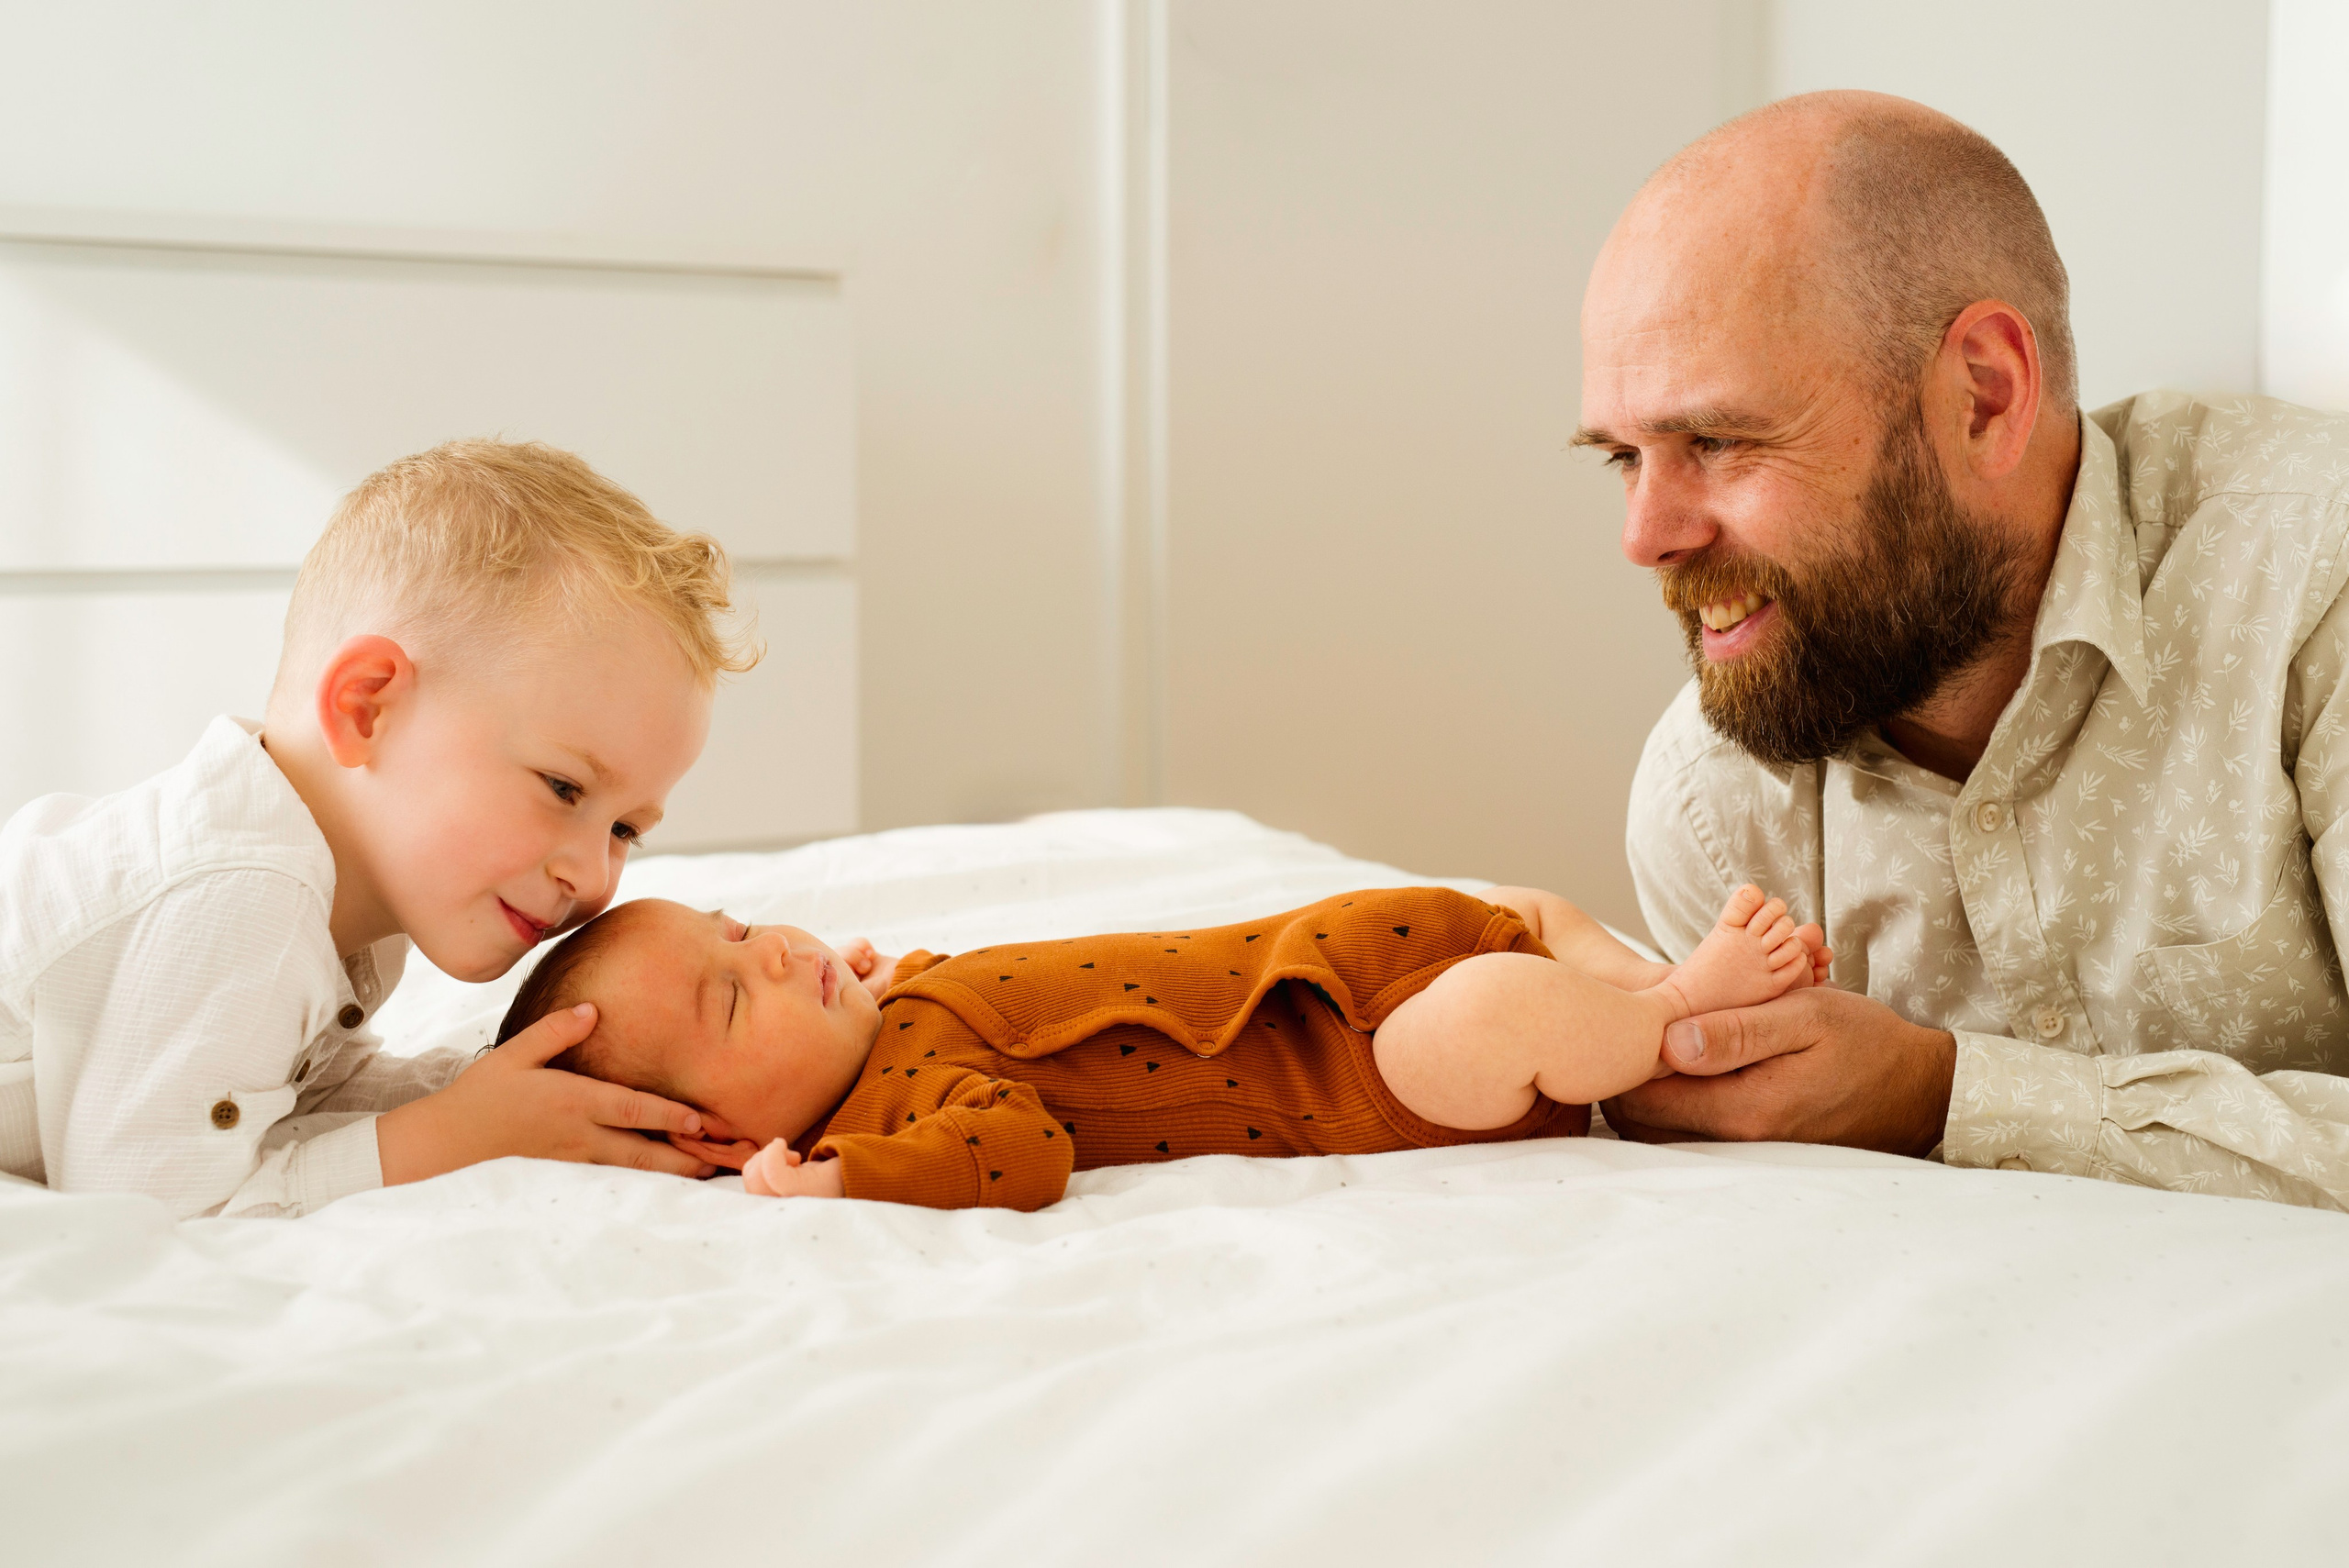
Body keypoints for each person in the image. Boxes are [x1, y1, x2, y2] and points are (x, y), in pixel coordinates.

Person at [1577, 90, 2349, 1207]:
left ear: (1983, 395)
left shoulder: (2314, 581)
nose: (1646, 536)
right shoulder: (1713, 802)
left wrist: (1942, 1096)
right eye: (1622, 458)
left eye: (1717, 439)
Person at [0, 440, 752, 1218]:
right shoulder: (240, 895)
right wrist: (452, 1137)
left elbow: (292, 1089)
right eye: (564, 787)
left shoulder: (348, 888)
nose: (593, 878)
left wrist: (498, 1096)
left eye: (627, 828)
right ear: (367, 708)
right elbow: (146, 1204)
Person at [489, 883, 1830, 1207]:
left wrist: (869, 976)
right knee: (1499, 1008)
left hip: (1335, 950)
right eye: (735, 1002)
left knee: (1523, 911)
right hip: (1368, 1075)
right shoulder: (894, 1111)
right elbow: (1018, 1152)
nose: (771, 952)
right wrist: (847, 1181)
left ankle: (1627, 974)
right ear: (730, 1135)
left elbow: (974, 987)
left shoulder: (895, 1004)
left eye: (737, 931)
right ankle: (1668, 1015)